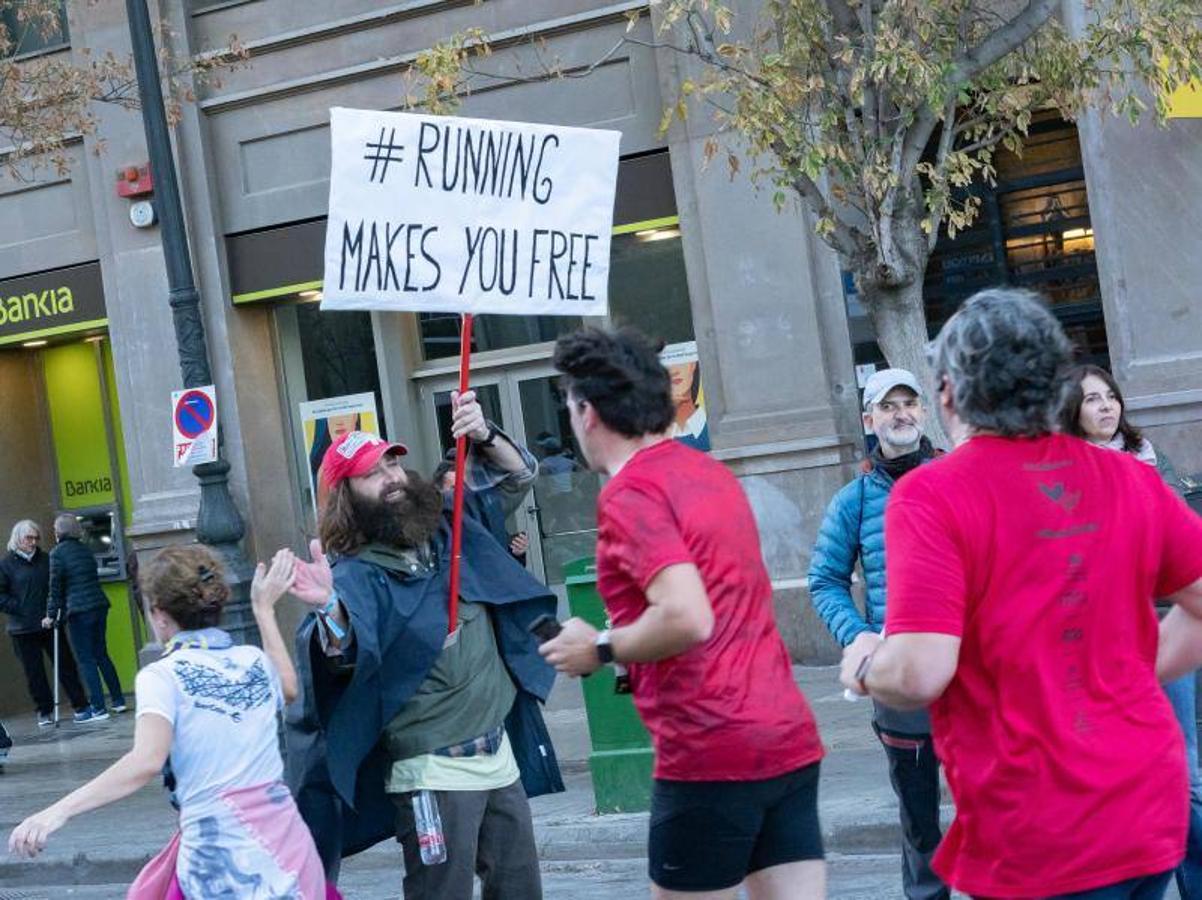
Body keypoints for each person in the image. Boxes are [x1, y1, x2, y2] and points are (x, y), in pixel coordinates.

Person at [841, 287, 1202, 900]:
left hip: (1037, 826)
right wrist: (1137, 670)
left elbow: (920, 672)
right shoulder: (1128, 478)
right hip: (1148, 802)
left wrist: (866, 662)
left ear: (949, 392)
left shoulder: (933, 496)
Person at [542, 327, 826, 900]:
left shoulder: (630, 494)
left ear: (587, 413)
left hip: (710, 746)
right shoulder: (712, 473)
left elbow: (688, 616)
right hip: (787, 736)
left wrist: (598, 646)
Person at [285, 388, 563, 899]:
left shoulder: (451, 532)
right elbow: (347, 650)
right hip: (431, 771)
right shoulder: (358, 576)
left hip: (497, 755)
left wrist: (483, 433)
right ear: (347, 497)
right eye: (373, 475)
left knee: (521, 890)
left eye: (393, 466)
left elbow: (516, 478)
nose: (391, 479)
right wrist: (329, 607)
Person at [8, 544, 334, 899]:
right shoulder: (252, 660)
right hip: (287, 847)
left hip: (223, 861)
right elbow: (288, 688)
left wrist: (58, 812)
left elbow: (145, 762)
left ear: (160, 615)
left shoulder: (162, 676)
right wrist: (263, 609)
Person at [1061, 363, 1202, 899]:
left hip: (1167, 619)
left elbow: (1181, 537)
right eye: (1091, 399)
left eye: (1109, 397)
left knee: (1184, 771)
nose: (1105, 407)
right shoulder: (1065, 472)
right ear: (1072, 411)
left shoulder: (1148, 460)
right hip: (1107, 637)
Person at [808, 369, 948, 900]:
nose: (901, 414)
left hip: (969, 670)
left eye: (909, 403)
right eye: (888, 407)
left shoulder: (956, 477)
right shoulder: (854, 499)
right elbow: (824, 580)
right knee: (919, 820)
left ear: (924, 411)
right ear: (870, 420)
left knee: (992, 809)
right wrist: (861, 637)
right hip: (899, 679)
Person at [0, 520, 91, 725]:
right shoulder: (6, 565)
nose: (33, 542)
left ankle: (80, 704)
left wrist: (56, 612)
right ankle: (44, 710)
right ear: (18, 539)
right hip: (22, 628)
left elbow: (58, 586)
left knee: (65, 664)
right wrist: (21, 607)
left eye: (35, 538)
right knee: (34, 673)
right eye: (28, 538)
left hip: (50, 623)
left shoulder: (47, 559)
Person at [45, 514, 125, 721]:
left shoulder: (57, 554)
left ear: (59, 532)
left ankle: (98, 708)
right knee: (101, 654)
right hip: (99, 605)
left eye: (55, 528)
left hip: (79, 610)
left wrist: (51, 615)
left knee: (86, 659)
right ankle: (118, 700)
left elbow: (56, 588)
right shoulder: (85, 549)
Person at [665, 359, 710, 450]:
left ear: (693, 365)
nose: (673, 371)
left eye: (682, 359)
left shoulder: (713, 427)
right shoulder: (648, 437)